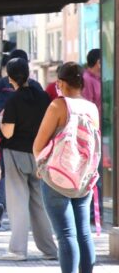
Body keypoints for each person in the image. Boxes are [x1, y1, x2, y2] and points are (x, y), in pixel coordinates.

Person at [34, 62, 98, 273]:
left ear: (60, 82)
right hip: (83, 178)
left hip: (57, 178)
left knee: (66, 235)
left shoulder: (58, 106)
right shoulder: (92, 108)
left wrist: (41, 166)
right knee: (84, 233)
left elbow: (38, 145)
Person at [0, 58, 57, 261]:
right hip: (40, 155)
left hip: (16, 153)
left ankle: (17, 250)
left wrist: (0, 120)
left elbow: (8, 132)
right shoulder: (43, 97)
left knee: (18, 202)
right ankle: (49, 249)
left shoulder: (13, 100)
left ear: (10, 77)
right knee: (40, 203)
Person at [0, 48, 42, 227]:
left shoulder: (1, 85)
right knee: (36, 186)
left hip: (9, 141)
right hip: (34, 144)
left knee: (9, 176)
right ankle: (41, 230)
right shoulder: (36, 87)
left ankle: (1, 203)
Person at [81, 49, 103, 221]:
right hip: (93, 134)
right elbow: (87, 109)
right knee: (94, 172)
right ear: (98, 62)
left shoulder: (97, 80)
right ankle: (92, 212)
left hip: (100, 132)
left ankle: (96, 211)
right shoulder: (88, 80)